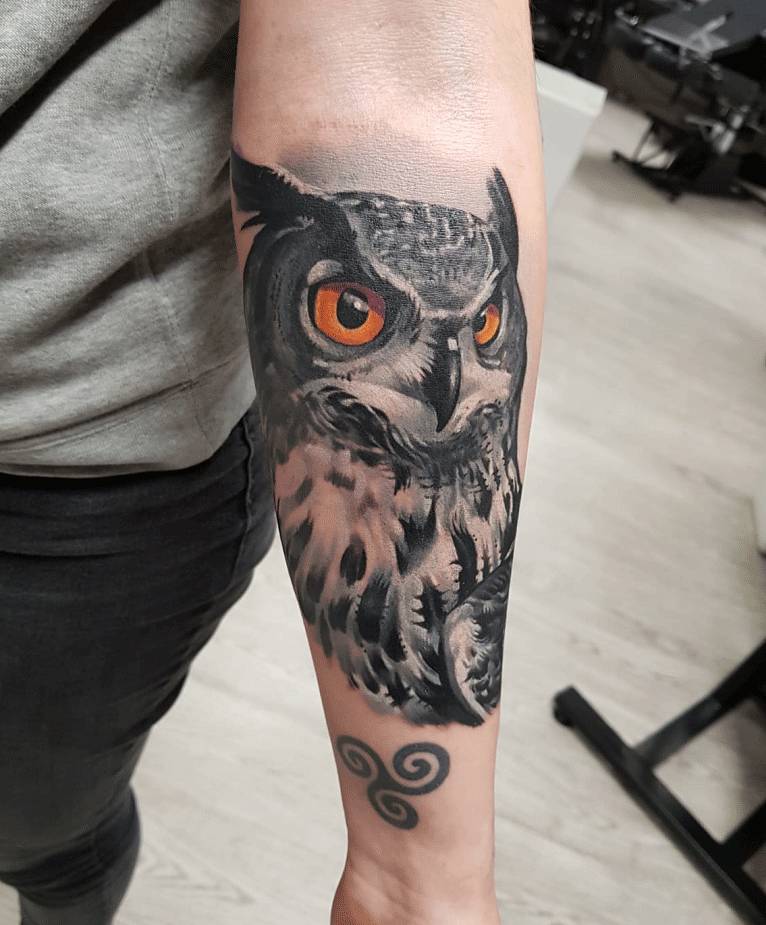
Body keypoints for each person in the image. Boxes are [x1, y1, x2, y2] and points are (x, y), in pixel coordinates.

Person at [0, 2, 546, 923]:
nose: (447, 379)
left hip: (69, 463)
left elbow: (398, 76)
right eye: (355, 314)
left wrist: (415, 877)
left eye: (484, 328)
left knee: (36, 826)